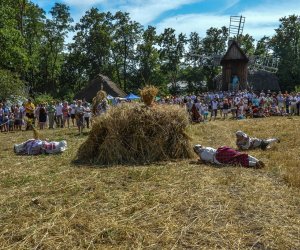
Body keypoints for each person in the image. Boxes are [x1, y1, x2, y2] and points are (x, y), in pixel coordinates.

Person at [193, 144, 265, 168]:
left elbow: (207, 162)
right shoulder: (207, 148)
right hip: (222, 150)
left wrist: (199, 161)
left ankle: (255, 164)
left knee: (236, 161)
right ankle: (257, 160)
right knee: (239, 154)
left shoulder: (202, 156)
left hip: (219, 158)